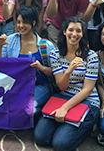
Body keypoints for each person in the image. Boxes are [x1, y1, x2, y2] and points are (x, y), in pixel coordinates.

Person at [34, 17, 100, 151]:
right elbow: (62, 86)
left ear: (82, 34)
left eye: (78, 31)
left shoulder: (91, 55)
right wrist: (69, 70)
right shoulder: (55, 54)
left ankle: (86, 126)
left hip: (87, 101)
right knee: (41, 138)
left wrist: (65, 108)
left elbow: (87, 90)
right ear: (64, 31)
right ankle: (68, 125)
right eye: (71, 30)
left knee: (60, 144)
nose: (74, 34)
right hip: (62, 98)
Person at [0, 6, 55, 122]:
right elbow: (0, 65)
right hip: (16, 86)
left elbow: (55, 73)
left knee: (27, 109)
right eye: (18, 22)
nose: (21, 26)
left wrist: (41, 67)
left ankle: (40, 111)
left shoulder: (46, 45)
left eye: (25, 22)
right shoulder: (10, 40)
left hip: (40, 87)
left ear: (33, 22)